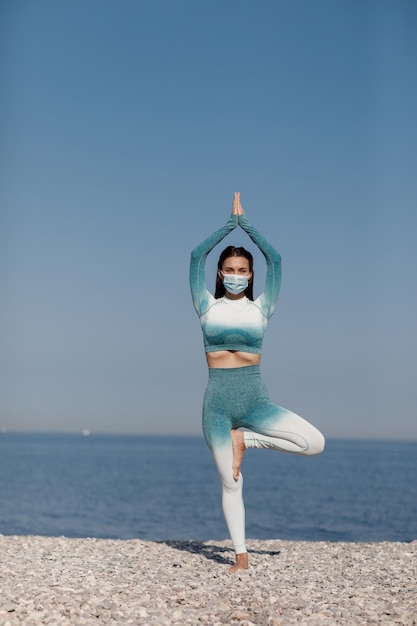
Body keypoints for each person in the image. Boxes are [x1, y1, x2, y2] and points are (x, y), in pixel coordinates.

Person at [189, 193, 325, 572]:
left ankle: (244, 440)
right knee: (231, 482)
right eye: (229, 269)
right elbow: (195, 257)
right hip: (216, 402)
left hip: (255, 399)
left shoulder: (262, 308)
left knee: (314, 443)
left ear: (251, 275)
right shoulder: (206, 305)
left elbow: (276, 260)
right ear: (221, 273)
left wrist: (247, 226)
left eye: (242, 270)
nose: (235, 275)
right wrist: (226, 227)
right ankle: (241, 555)